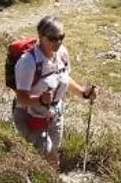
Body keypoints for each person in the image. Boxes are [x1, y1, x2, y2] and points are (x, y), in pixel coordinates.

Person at [12, 14, 97, 163]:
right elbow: (21, 98)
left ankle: (44, 182)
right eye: (52, 38)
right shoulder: (28, 62)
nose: (57, 42)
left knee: (51, 153)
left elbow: (64, 78)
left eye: (61, 37)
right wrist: (40, 99)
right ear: (40, 36)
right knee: (47, 157)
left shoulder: (62, 54)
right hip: (30, 117)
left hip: (55, 115)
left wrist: (83, 93)